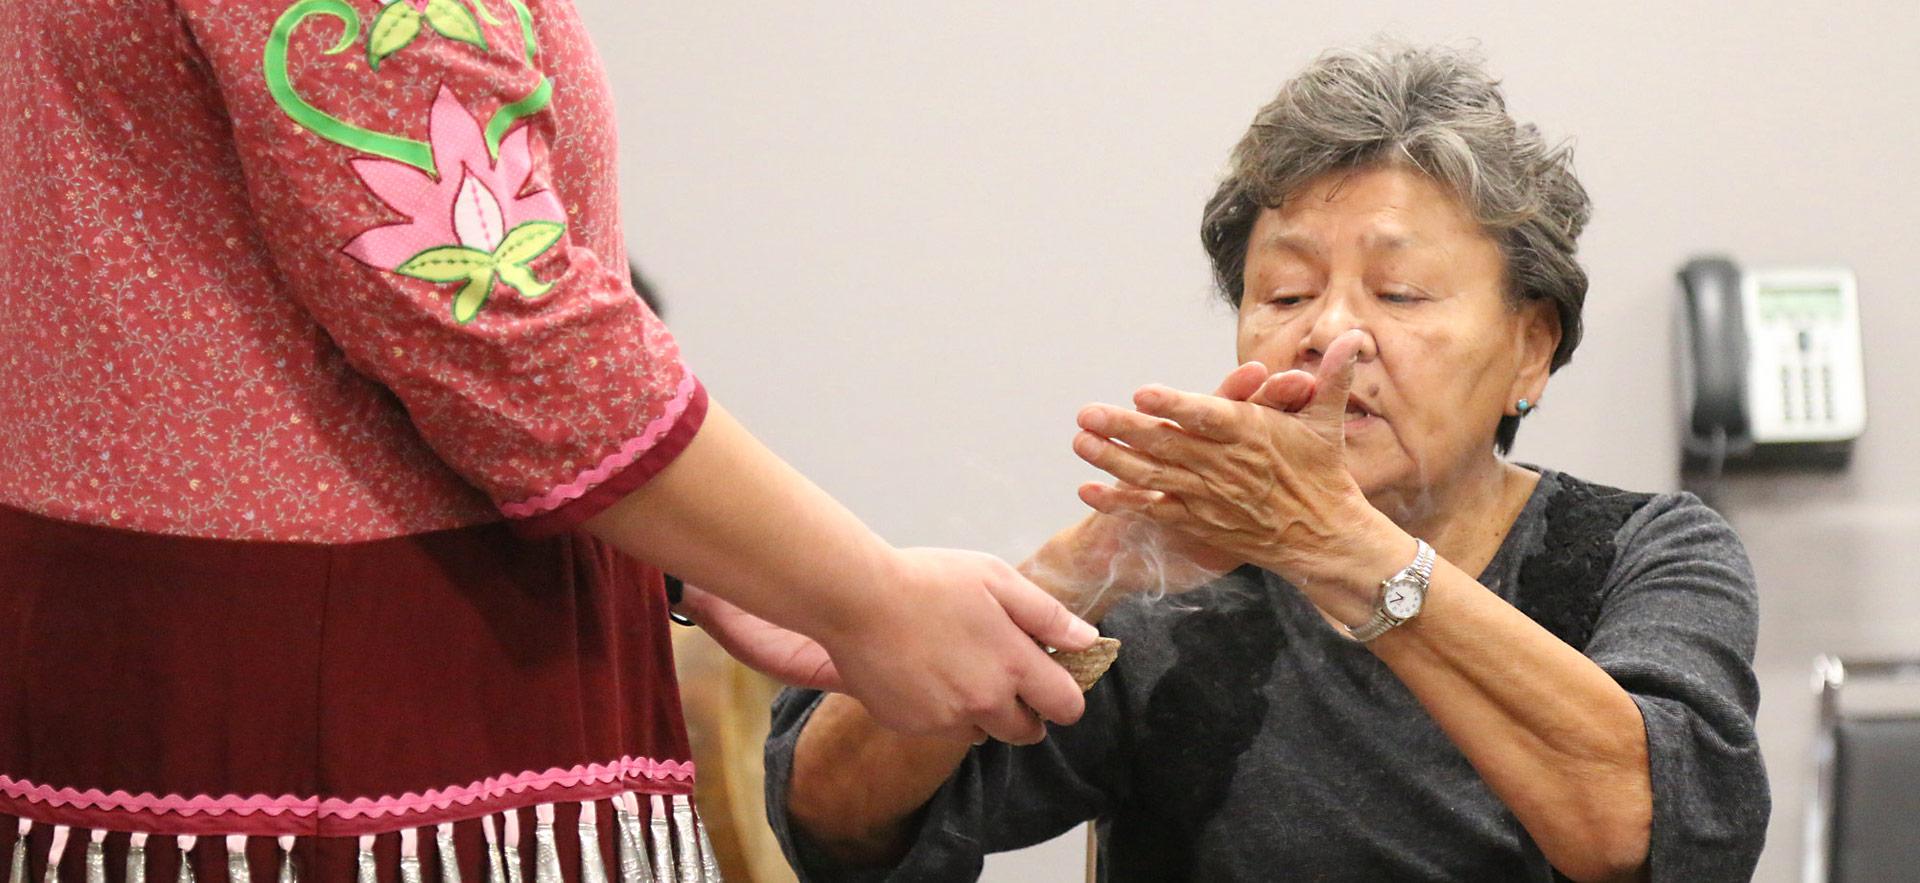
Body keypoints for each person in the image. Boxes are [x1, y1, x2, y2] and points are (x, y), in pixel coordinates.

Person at [0, 1, 1097, 880]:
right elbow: (491, 306)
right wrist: (866, 598)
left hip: (214, 672)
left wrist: (722, 558)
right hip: (344, 735)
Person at [765, 43, 1770, 882]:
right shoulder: (1179, 594)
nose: (1332, 332)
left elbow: (1658, 831)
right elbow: (836, 819)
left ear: (1531, 348)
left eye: (1403, 293)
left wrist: (1337, 544)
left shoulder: (1642, 552)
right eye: (1287, 295)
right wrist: (1088, 565)